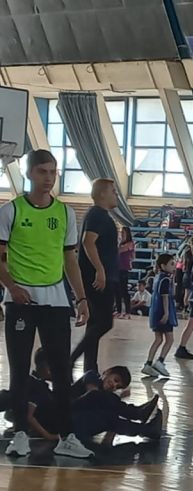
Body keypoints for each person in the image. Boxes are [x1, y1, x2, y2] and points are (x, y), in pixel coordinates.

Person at [0, 149, 93, 459]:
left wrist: (81, 297)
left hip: (55, 301)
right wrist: (12, 287)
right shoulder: (11, 211)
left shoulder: (65, 213)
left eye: (53, 172)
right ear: (29, 174)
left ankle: (67, 436)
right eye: (42, 171)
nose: (49, 178)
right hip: (21, 301)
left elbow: (70, 258)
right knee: (19, 369)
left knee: (62, 371)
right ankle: (20, 435)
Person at [71, 179, 121, 374]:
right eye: (113, 191)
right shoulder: (98, 215)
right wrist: (100, 270)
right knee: (104, 323)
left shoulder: (99, 215)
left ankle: (90, 369)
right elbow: (87, 242)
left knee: (94, 324)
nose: (116, 195)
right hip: (98, 278)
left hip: (99, 276)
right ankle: (72, 359)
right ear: (102, 194)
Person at [72, 366, 162, 445]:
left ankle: (147, 429)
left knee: (109, 416)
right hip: (68, 415)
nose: (114, 386)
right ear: (108, 372)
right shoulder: (91, 376)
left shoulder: (105, 400)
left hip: (78, 425)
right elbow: (92, 395)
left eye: (118, 387)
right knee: (100, 398)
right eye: (115, 380)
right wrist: (118, 397)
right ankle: (137, 413)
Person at [142, 254, 177, 379]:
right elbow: (165, 297)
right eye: (171, 264)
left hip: (155, 311)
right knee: (169, 339)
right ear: (163, 265)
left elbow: (171, 293)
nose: (174, 266)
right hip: (163, 311)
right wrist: (166, 313)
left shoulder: (158, 277)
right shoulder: (165, 279)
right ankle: (160, 361)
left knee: (158, 339)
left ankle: (148, 364)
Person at [116, 227, 135, 318]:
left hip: (124, 269)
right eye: (121, 232)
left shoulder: (130, 243)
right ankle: (118, 310)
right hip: (117, 268)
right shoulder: (120, 243)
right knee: (117, 290)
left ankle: (128, 312)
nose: (121, 234)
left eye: (123, 232)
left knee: (124, 290)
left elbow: (120, 250)